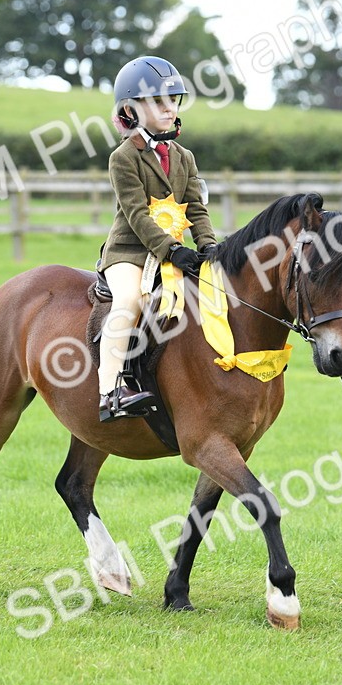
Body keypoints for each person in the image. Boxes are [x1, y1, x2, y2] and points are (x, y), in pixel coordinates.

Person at [97, 55, 218, 422]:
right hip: (129, 252)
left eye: (173, 100)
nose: (169, 108)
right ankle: (110, 390)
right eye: (158, 102)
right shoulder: (123, 158)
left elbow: (195, 207)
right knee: (131, 299)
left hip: (175, 253)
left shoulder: (185, 157)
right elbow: (135, 215)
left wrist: (209, 244)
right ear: (131, 109)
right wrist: (172, 250)